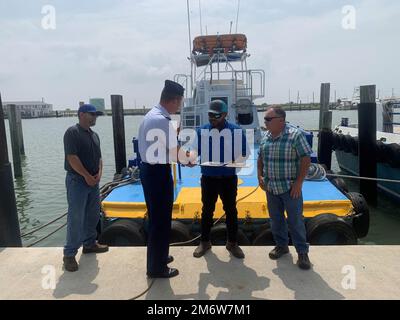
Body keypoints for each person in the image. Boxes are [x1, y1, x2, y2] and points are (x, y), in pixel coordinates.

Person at [138, 80, 185, 278]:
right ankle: (156, 268)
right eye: (180, 102)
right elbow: (176, 154)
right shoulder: (161, 121)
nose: (180, 106)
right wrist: (190, 159)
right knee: (160, 220)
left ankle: (160, 256)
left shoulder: (153, 115)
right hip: (157, 174)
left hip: (151, 171)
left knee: (158, 218)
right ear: (174, 101)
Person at [193, 99, 249, 259]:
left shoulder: (236, 131)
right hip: (208, 178)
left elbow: (244, 153)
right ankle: (204, 242)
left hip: (228, 179)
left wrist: (233, 162)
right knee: (207, 210)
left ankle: (232, 243)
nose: (212, 118)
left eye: (216, 116)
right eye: (210, 115)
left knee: (231, 210)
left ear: (225, 115)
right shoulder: (202, 130)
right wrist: (189, 158)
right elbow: (195, 150)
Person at [257, 107, 312, 270]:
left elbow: (306, 159)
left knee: (295, 220)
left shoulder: (295, 135)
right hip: (271, 187)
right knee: (276, 219)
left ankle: (302, 252)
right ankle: (282, 246)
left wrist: (299, 183)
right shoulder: (265, 137)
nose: (265, 122)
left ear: (280, 120)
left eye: (268, 119)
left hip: (290, 188)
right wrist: (259, 176)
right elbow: (260, 158)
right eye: (265, 119)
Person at [63, 104, 108, 272]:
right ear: (81, 114)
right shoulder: (72, 133)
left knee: (93, 213)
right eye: (92, 114)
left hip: (93, 182)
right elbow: (72, 157)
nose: (95, 117)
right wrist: (86, 176)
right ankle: (69, 254)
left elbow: (99, 158)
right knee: (76, 217)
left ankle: (89, 244)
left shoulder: (94, 135)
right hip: (78, 182)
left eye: (96, 114)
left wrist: (99, 173)